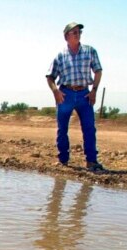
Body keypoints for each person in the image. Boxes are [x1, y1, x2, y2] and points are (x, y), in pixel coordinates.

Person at [46, 22, 105, 172]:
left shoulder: (90, 51)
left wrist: (94, 91)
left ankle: (91, 161)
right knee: (62, 129)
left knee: (89, 128)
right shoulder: (60, 55)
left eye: (79, 32)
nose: (77, 34)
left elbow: (98, 71)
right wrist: (56, 92)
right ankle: (63, 160)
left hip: (84, 94)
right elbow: (50, 76)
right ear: (66, 36)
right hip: (66, 93)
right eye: (74, 32)